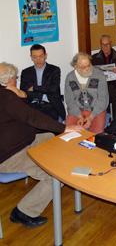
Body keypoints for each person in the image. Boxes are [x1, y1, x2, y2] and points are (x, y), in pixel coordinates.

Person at [0, 62, 83, 227]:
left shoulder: (7, 96)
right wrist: (64, 128)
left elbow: (23, 114)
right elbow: (32, 117)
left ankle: (60, 161)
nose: (17, 80)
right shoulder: (7, 97)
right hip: (11, 155)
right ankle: (24, 211)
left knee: (49, 136)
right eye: (15, 78)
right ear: (10, 80)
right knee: (56, 176)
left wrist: (20, 95)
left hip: (25, 141)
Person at [64, 52, 109, 134]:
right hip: (76, 110)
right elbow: (69, 100)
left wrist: (91, 117)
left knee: (96, 135)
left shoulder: (99, 75)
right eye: (83, 67)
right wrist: (79, 116)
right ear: (75, 67)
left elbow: (103, 99)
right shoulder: (70, 77)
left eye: (89, 65)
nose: (87, 69)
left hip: (96, 110)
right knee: (69, 132)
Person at [20, 44, 66, 121]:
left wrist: (34, 88)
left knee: (53, 126)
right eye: (35, 57)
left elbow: (53, 89)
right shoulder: (26, 72)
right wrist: (42, 95)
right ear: (31, 57)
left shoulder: (54, 70)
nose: (38, 59)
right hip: (32, 105)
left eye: (41, 56)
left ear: (45, 55)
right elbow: (24, 92)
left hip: (51, 104)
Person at [92, 34, 116, 117]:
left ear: (111, 44)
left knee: (111, 90)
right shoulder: (94, 58)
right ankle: (101, 114)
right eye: (103, 45)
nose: (105, 47)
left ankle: (114, 116)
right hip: (100, 84)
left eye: (107, 44)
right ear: (100, 45)